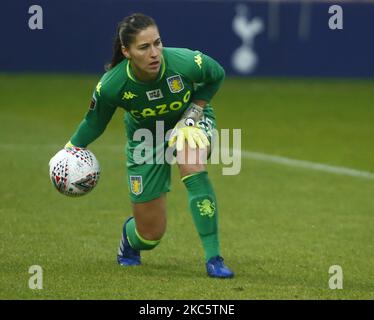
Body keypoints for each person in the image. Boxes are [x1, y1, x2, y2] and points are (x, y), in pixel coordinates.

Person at [63, 13, 234, 278]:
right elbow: (94, 123)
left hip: (189, 121)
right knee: (151, 235)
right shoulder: (113, 85)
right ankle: (131, 240)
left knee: (189, 157)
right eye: (144, 47)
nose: (155, 53)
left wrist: (193, 114)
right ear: (126, 51)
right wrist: (69, 149)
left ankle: (214, 258)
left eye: (157, 43)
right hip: (146, 138)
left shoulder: (186, 62)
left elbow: (216, 75)